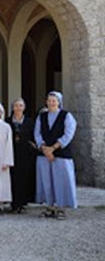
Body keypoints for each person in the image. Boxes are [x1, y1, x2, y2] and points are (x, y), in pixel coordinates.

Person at [34, 91, 77, 220]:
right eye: (49, 100)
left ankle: (61, 208)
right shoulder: (41, 116)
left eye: (54, 100)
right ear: (46, 102)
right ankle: (50, 206)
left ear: (59, 102)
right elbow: (37, 133)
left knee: (61, 181)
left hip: (61, 154)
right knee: (47, 181)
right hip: (44, 154)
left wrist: (52, 148)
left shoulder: (67, 116)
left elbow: (68, 134)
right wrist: (44, 148)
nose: (51, 103)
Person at [6, 98, 37, 213]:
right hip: (11, 152)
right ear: (12, 108)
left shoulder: (29, 121)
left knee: (24, 178)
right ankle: (14, 203)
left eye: (20, 106)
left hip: (26, 154)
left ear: (24, 108)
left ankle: (22, 203)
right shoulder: (7, 121)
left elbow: (34, 136)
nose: (18, 108)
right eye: (15, 106)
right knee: (12, 178)